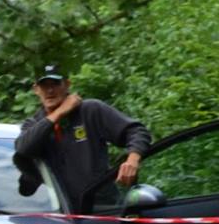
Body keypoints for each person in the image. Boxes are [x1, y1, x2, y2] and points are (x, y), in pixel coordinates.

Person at [14, 64, 151, 212]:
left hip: (103, 208)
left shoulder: (90, 110)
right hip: (62, 214)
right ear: (36, 89)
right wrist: (60, 112)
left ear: (67, 85)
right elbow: (23, 148)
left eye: (55, 84)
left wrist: (132, 160)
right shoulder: (33, 124)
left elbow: (137, 131)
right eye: (44, 86)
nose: (50, 90)